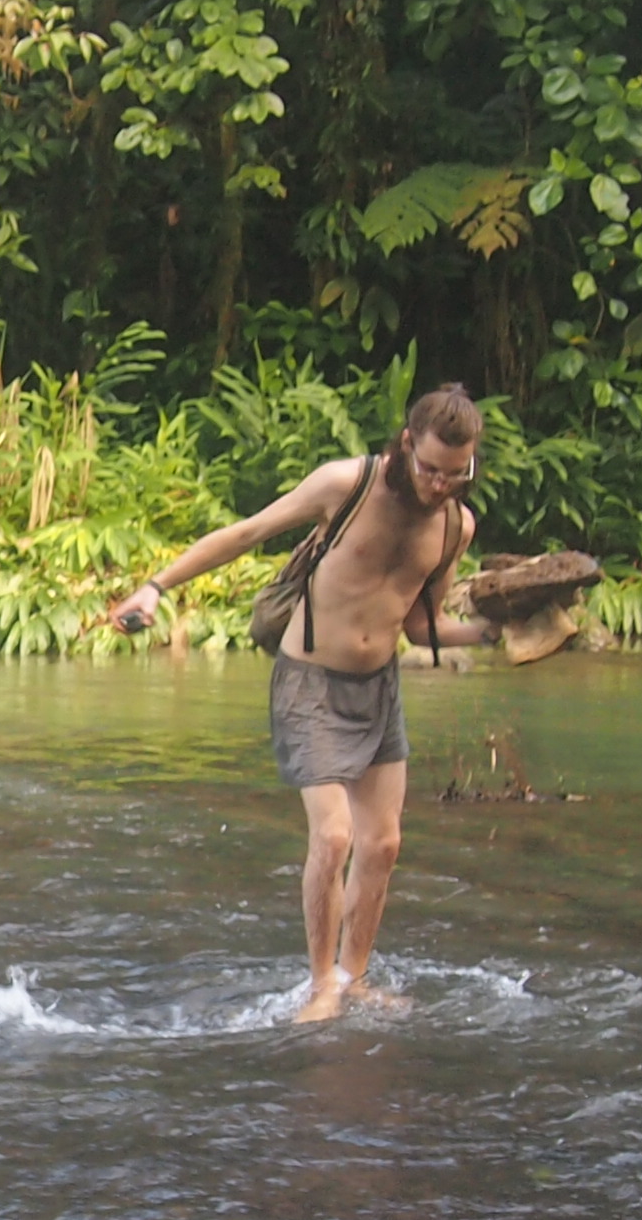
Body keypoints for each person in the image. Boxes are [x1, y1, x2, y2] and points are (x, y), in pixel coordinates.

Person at [99, 386, 492, 1021]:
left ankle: (355, 977)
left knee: (383, 844)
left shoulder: (455, 526)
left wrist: (497, 633)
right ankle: (321, 988)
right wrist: (154, 588)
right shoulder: (347, 485)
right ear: (405, 446)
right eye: (429, 469)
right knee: (334, 837)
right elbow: (246, 532)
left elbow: (424, 628)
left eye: (457, 473)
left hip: (380, 688)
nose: (441, 485)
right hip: (311, 681)